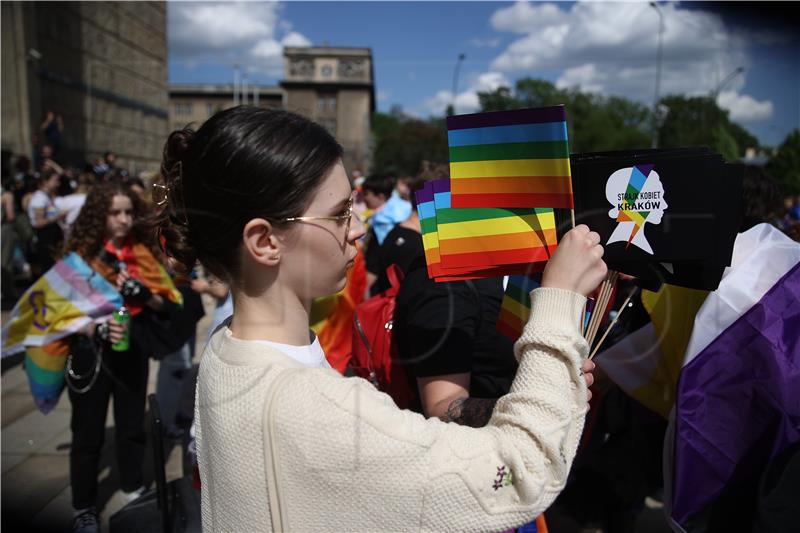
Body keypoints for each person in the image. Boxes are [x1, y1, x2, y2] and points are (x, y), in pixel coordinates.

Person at [155, 106, 606, 532]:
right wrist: (560, 297)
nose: (357, 228)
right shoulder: (317, 408)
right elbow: (522, 473)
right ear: (265, 241)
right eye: (337, 216)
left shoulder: (226, 347)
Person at [62, 181, 183, 532]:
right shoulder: (81, 256)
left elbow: (166, 302)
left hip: (133, 348)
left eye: (129, 212)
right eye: (115, 212)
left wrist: (143, 293)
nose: (124, 219)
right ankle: (83, 506)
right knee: (88, 434)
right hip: (91, 354)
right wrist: (93, 329)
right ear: (100, 215)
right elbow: (59, 312)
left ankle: (132, 486)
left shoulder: (142, 253)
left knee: (132, 427)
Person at [27, 168, 66, 272]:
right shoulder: (39, 198)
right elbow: (39, 222)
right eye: (55, 180)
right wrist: (58, 216)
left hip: (51, 237)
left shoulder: (46, 197)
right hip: (45, 238)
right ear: (45, 181)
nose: (58, 184)